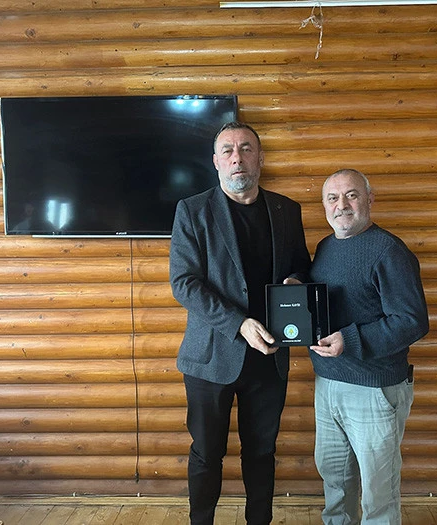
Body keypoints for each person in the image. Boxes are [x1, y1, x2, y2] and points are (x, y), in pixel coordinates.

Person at [169, 121, 311, 525]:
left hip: (270, 356)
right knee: (206, 453)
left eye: (246, 148)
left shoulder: (287, 210)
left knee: (262, 453)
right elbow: (184, 283)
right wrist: (239, 323)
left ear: (260, 158)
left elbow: (302, 266)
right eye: (228, 150)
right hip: (210, 359)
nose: (237, 157)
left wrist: (297, 281)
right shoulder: (192, 211)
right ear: (216, 162)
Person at [308, 169, 429, 525]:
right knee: (335, 483)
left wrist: (350, 340)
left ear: (370, 199)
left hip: (374, 388)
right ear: (324, 205)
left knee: (378, 493)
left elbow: (412, 321)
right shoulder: (325, 248)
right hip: (328, 383)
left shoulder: (389, 251)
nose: (341, 205)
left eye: (352, 195)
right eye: (332, 198)